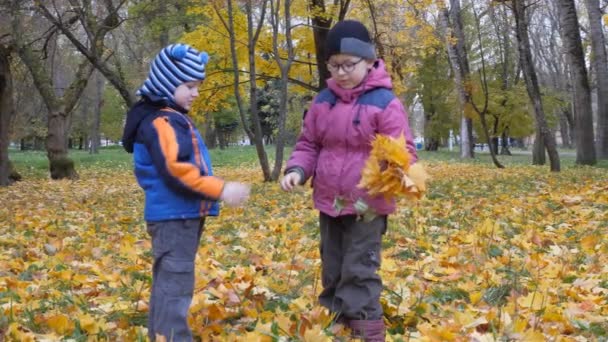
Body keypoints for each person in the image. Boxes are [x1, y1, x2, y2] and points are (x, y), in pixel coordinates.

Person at [280, 20, 417, 341]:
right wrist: (297, 170)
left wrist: (396, 168)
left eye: (349, 65)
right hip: (330, 201)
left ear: (369, 61)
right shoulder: (323, 101)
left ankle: (368, 328)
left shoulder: (384, 103)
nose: (341, 72)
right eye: (334, 65)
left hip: (368, 203)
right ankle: (336, 322)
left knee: (359, 268)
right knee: (333, 267)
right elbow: (309, 144)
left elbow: (403, 149)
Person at [121, 43, 250, 341]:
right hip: (173, 216)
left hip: (179, 214)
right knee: (175, 283)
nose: (195, 93)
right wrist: (221, 188)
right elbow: (177, 170)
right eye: (189, 85)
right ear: (167, 82)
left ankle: (162, 335)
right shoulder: (161, 122)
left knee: (170, 280)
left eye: (198, 86)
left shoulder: (167, 117)